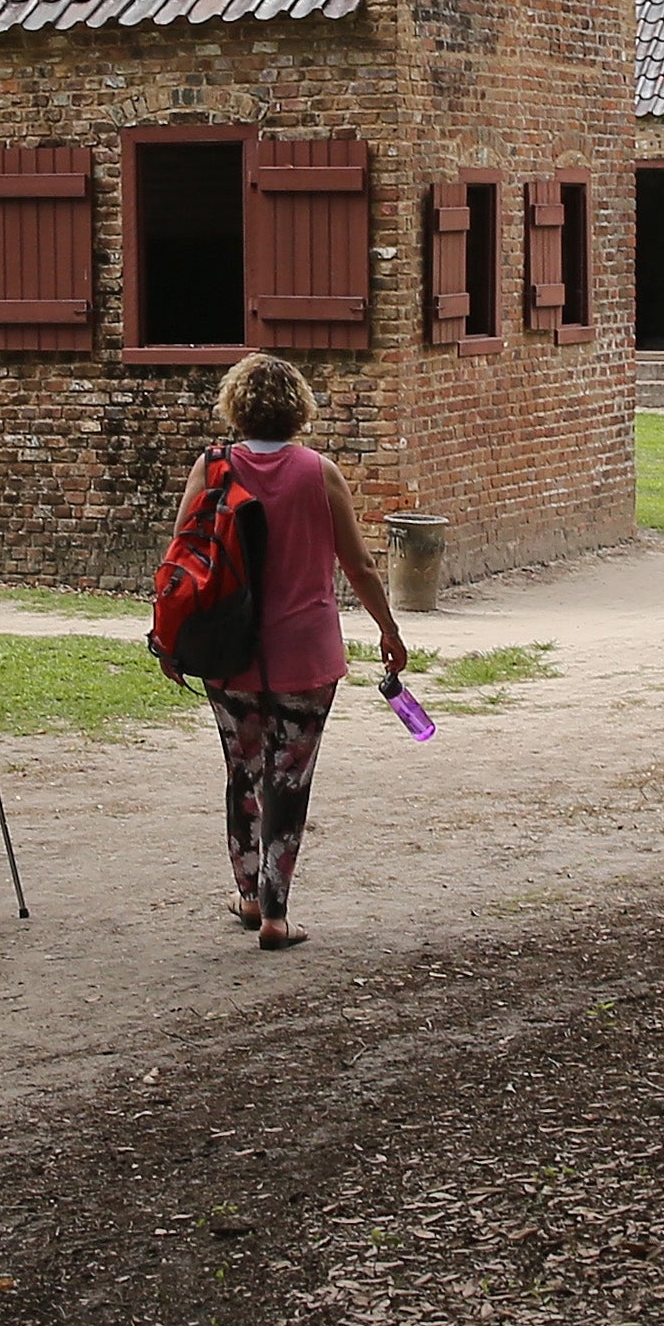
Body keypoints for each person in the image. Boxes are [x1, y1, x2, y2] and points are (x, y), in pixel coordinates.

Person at [185, 354, 411, 950]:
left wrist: (169, 634)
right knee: (289, 776)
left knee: (242, 768)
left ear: (236, 405)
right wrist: (388, 628)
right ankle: (276, 915)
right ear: (298, 408)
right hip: (306, 654)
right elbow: (357, 563)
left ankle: (247, 893)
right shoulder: (319, 472)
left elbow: (184, 554)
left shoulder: (212, 467)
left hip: (228, 650)